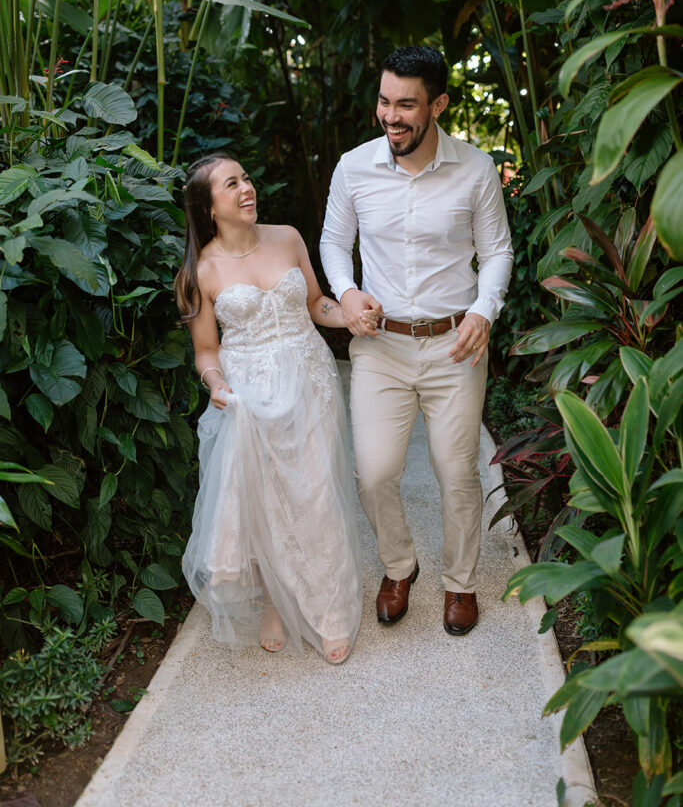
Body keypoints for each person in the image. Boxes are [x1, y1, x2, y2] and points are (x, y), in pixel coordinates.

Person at [320, 46, 513, 636]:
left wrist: (484, 309)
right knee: (374, 473)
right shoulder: (354, 167)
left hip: (456, 345)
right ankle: (400, 567)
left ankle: (461, 584)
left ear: (438, 104)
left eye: (406, 104)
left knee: (457, 473)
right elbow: (332, 241)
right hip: (380, 347)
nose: (392, 115)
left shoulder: (476, 170)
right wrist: (348, 293)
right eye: (384, 101)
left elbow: (498, 251)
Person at [175, 153, 363, 665]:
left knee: (317, 491)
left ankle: (328, 611)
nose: (246, 189)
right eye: (231, 184)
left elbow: (315, 304)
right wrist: (215, 384)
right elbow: (206, 350)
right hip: (249, 396)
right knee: (265, 499)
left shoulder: (288, 237)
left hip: (309, 378)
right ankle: (275, 602)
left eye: (247, 178)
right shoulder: (201, 269)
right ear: (209, 206)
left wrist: (351, 315)